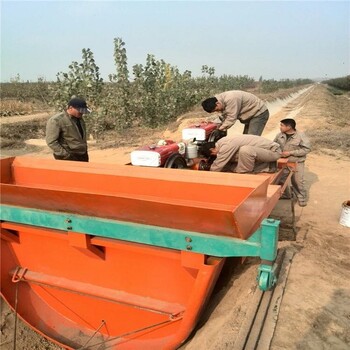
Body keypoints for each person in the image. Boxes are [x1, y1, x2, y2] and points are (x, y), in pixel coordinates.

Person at [273, 118, 311, 207]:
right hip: (283, 162)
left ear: (289, 127)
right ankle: (286, 195)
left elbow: (307, 149)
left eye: (282, 125)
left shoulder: (300, 136)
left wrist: (290, 153)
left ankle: (301, 198)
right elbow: (273, 145)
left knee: (298, 181)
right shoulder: (279, 135)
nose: (280, 127)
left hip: (297, 162)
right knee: (281, 179)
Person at [200, 135, 281, 173]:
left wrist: (209, 174)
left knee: (245, 150)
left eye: (213, 154)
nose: (215, 156)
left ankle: (244, 175)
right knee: (230, 163)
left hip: (273, 151)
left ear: (212, 149)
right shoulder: (221, 142)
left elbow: (219, 163)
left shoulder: (226, 146)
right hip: (261, 153)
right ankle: (265, 166)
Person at [201, 90, 269, 135]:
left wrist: (220, 129)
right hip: (250, 114)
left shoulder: (231, 99)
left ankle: (256, 155)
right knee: (245, 138)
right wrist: (212, 123)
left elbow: (231, 118)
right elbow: (223, 116)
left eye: (216, 110)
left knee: (251, 139)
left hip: (258, 113)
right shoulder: (220, 100)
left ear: (217, 103)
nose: (217, 111)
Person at [46, 97, 91, 162]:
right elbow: (51, 142)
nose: (82, 113)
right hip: (66, 157)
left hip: (82, 154)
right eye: (80, 110)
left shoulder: (80, 119)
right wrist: (66, 155)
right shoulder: (56, 120)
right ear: (70, 108)